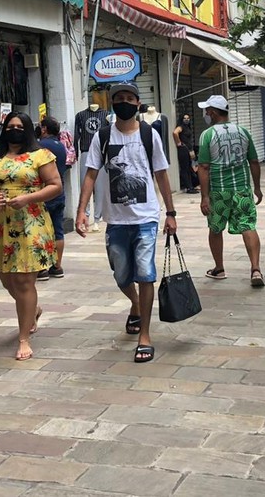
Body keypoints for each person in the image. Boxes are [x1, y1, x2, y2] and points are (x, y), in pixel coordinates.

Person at [75, 83, 177, 364]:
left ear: (137, 103)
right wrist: (82, 210)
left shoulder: (149, 135)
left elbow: (162, 174)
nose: (124, 102)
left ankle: (145, 334)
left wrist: (171, 212)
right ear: (112, 103)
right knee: (121, 275)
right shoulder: (102, 136)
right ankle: (134, 303)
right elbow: (91, 174)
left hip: (146, 217)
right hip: (116, 220)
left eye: (129, 98)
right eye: (118, 98)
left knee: (145, 273)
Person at [0, 112, 63, 361]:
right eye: (10, 126)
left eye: (19, 126)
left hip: (31, 223)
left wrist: (27, 198)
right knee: (8, 280)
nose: (14, 130)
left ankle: (23, 337)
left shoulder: (41, 155)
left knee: (25, 282)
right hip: (2, 226)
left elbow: (55, 185)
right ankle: (33, 310)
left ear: (27, 129)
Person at [197, 95, 265, 287]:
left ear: (212, 112)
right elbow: (253, 161)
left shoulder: (207, 135)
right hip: (242, 190)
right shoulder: (243, 131)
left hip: (219, 191)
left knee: (215, 228)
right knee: (248, 226)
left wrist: (204, 197)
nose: (206, 114)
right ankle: (256, 269)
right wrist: (257, 187)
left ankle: (219, 268)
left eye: (207, 110)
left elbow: (203, 167)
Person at [37, 116, 71, 279]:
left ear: (44, 129)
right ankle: (57, 266)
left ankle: (42, 267)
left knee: (41, 230)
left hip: (44, 192)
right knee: (58, 230)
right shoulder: (61, 146)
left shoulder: (39, 146)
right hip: (59, 192)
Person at [173, 113, 199, 194]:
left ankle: (191, 186)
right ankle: (188, 187)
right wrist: (179, 143)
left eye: (188, 118)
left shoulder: (187, 127)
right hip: (183, 149)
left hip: (188, 149)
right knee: (184, 168)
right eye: (185, 118)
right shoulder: (181, 127)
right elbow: (175, 133)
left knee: (189, 168)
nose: (187, 120)